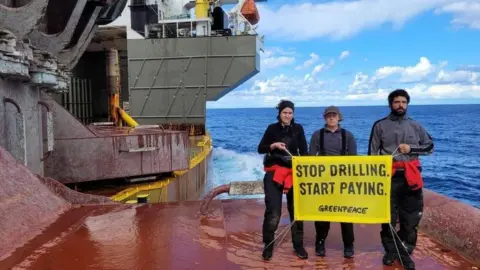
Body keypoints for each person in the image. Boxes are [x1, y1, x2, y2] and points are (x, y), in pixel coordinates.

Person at [368, 89, 434, 270]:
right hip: (389, 178)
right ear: (390, 104)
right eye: (397, 102)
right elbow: (372, 154)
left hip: (411, 177)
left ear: (407, 104)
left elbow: (429, 147)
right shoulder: (379, 125)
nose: (400, 105)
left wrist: (411, 149)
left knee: (411, 217)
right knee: (388, 217)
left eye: (404, 102)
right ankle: (390, 251)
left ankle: (406, 248)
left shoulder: (415, 125)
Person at [257, 100, 309, 261]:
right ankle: (268, 244)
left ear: (293, 114)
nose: (287, 115)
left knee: (297, 211)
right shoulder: (271, 128)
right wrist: (272, 146)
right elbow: (260, 148)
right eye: (284, 112)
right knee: (273, 212)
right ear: (279, 113)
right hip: (274, 173)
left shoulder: (298, 128)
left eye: (290, 113)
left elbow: (304, 151)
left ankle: (298, 245)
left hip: (294, 173)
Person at [308, 106, 357, 258]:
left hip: (343, 182)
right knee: (323, 213)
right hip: (324, 181)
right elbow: (310, 158)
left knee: (346, 215)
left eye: (334, 115)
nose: (331, 118)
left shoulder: (348, 135)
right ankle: (320, 242)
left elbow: (354, 159)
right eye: (328, 115)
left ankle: (349, 245)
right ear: (325, 118)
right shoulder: (317, 134)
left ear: (339, 117)